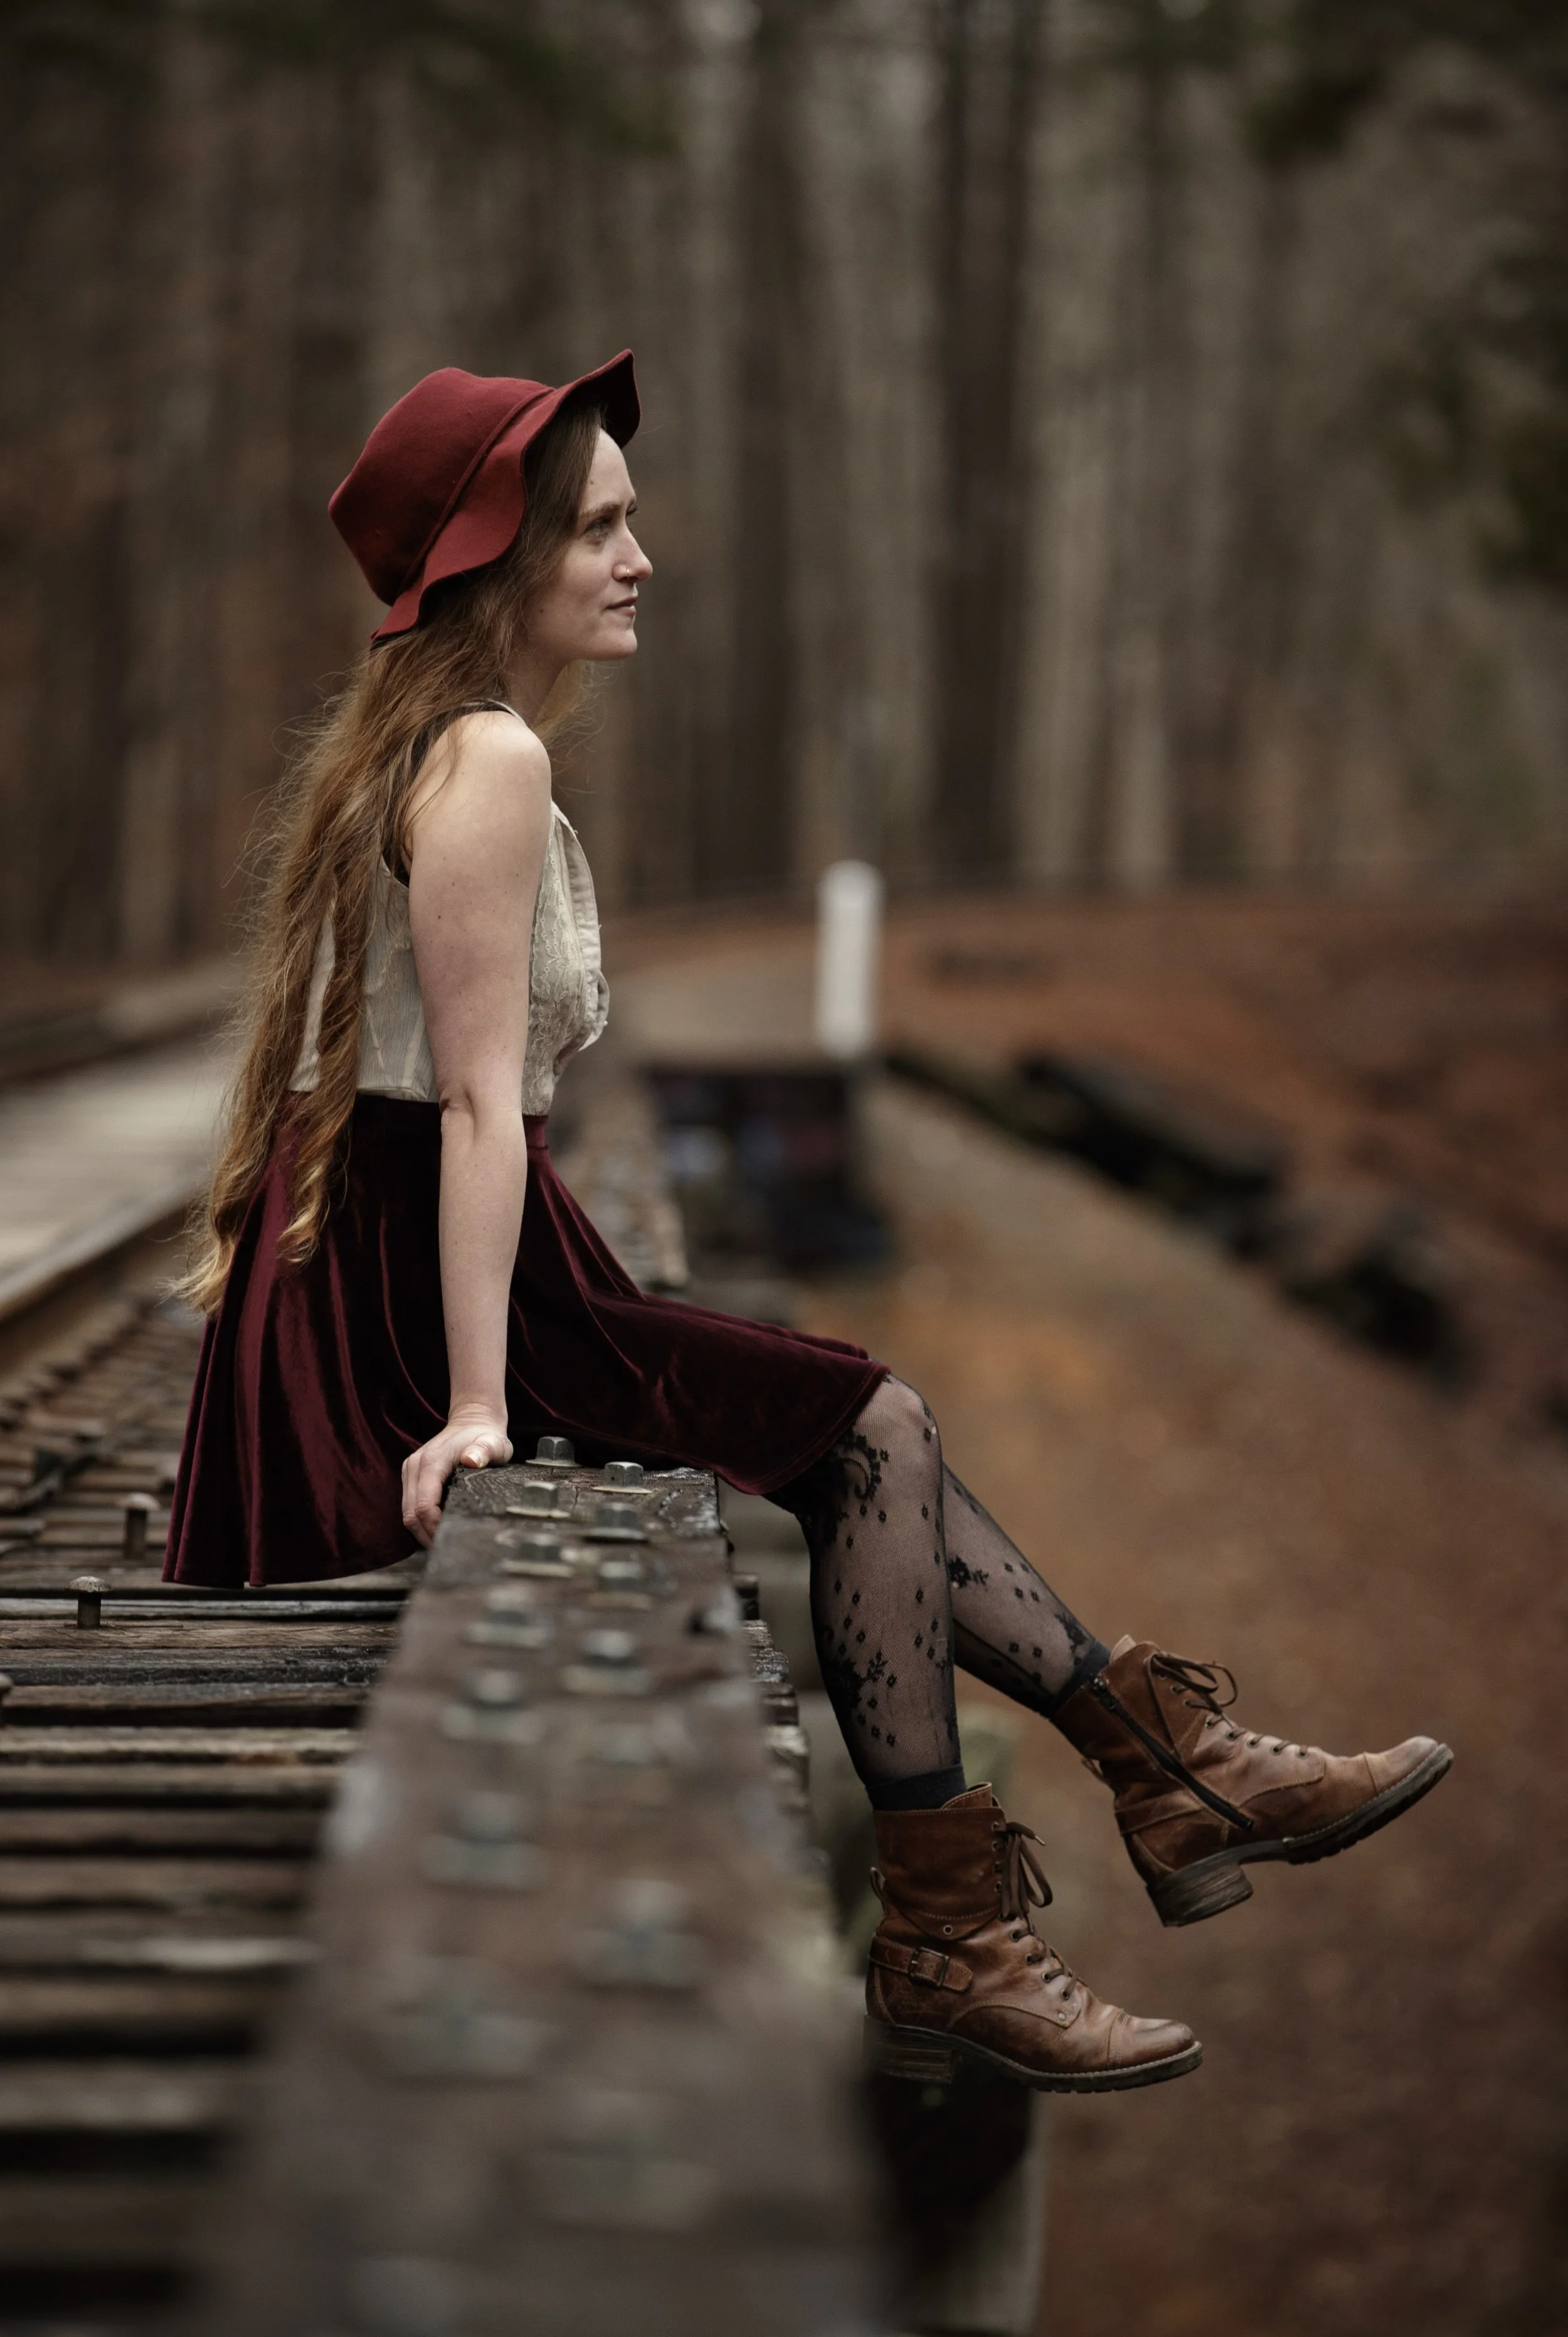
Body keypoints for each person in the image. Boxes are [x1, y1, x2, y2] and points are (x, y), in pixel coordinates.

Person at [166, 353, 1452, 2094]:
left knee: (867, 1430)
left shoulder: (428, 739)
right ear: (496, 561)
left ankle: (1144, 1776)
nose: (640, 557)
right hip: (430, 1269)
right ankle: (1002, 1889)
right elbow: (472, 1104)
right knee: (869, 1430)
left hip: (425, 1244)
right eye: (597, 528)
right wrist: (472, 1404)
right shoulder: (483, 759)